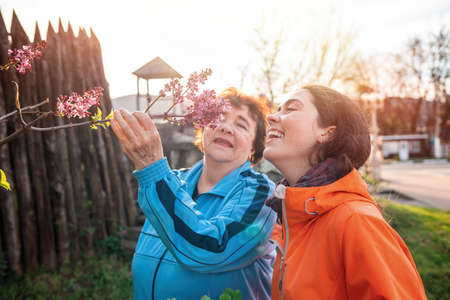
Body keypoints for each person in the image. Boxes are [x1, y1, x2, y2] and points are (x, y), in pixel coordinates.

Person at [111, 88, 276, 300]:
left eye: (241, 125)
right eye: (218, 118)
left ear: (254, 147)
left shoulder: (261, 193)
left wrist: (152, 168)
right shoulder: (172, 182)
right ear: (202, 130)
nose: (225, 128)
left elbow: (211, 251)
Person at [263, 85, 427, 300]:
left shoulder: (356, 221)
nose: (271, 117)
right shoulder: (292, 218)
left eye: (290, 109)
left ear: (327, 132)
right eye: (277, 109)